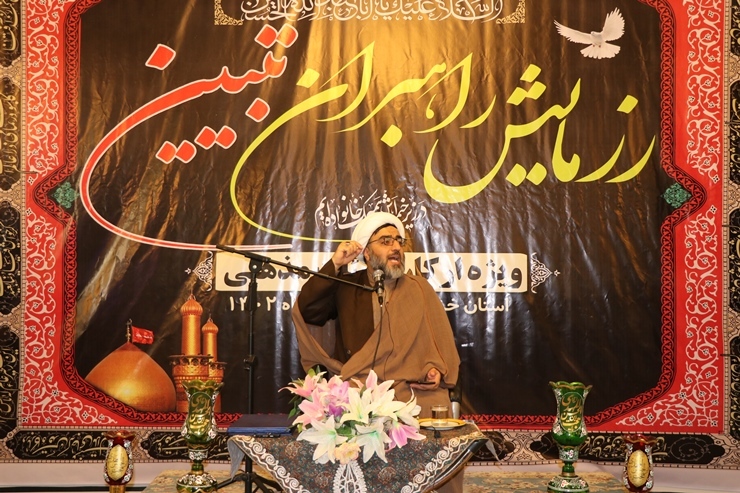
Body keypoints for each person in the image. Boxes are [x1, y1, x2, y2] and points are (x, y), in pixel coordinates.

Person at [292, 211, 463, 492]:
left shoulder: (419, 289)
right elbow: (308, 310)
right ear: (367, 253)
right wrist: (336, 264)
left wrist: (435, 369)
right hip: (360, 392)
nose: (396, 247)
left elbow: (438, 343)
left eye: (398, 241)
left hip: (410, 389)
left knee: (437, 419)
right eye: (385, 241)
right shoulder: (347, 287)